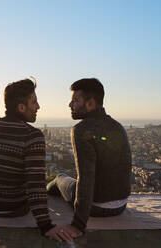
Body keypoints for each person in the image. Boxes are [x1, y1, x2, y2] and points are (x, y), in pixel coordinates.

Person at [0, 78, 73, 243]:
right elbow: (35, 186)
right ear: (21, 107)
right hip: (12, 207)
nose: (38, 107)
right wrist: (46, 226)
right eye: (34, 102)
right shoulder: (32, 136)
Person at [47, 78, 132, 237]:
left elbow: (86, 178)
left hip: (97, 207)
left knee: (60, 178)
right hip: (121, 205)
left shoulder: (81, 129)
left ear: (90, 103)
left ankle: (44, 191)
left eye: (75, 100)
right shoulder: (117, 126)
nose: (70, 104)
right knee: (68, 179)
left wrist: (78, 225)